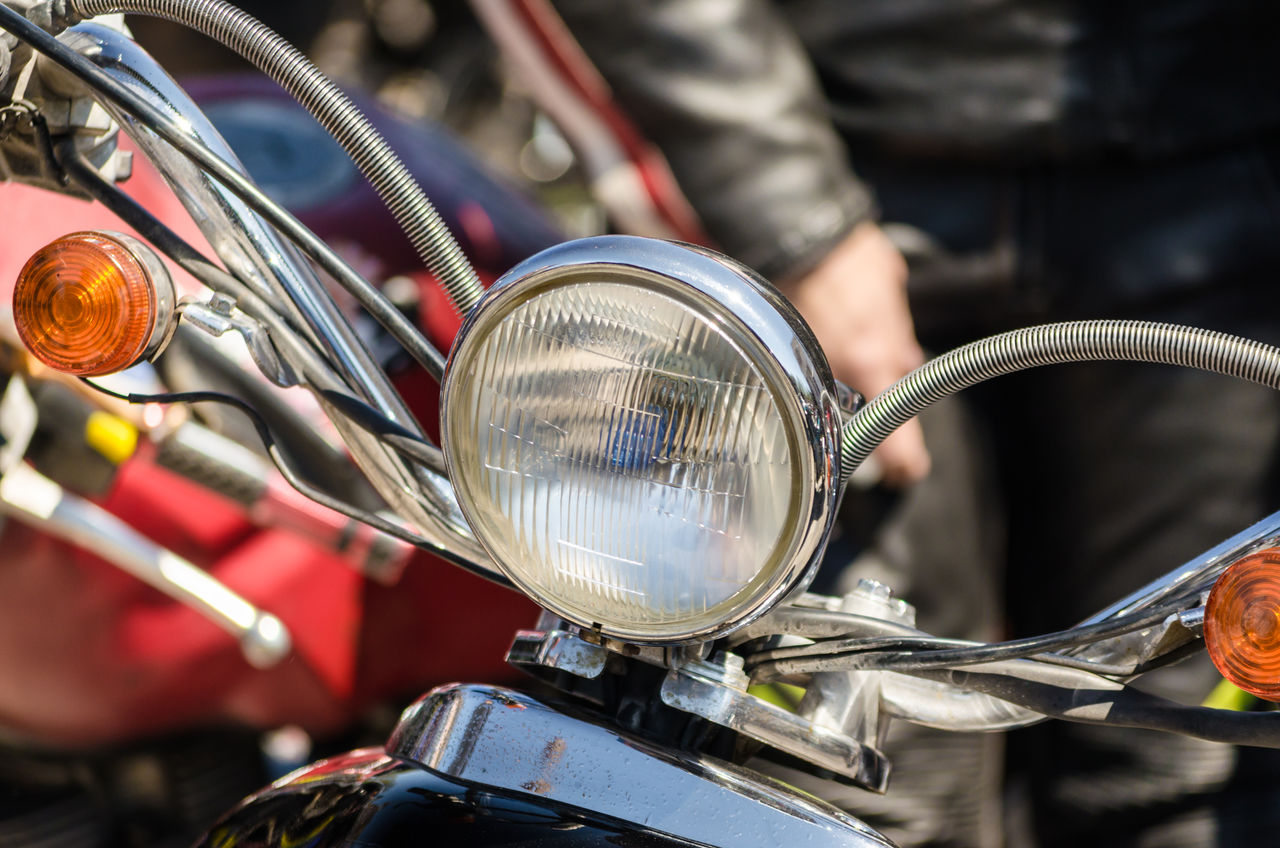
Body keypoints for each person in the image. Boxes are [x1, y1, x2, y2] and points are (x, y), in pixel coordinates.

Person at [546, 1, 1280, 846]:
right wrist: (786, 214)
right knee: (853, 783)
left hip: (1219, 197)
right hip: (831, 183)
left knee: (1189, 775)